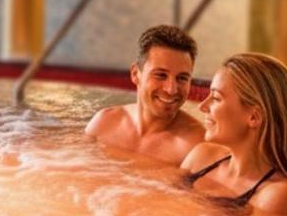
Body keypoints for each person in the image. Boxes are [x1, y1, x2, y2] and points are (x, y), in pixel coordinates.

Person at [179, 53, 287, 216]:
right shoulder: (201, 158)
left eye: (216, 98)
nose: (202, 106)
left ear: (254, 117)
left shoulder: (276, 196)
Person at [84, 25, 204, 164]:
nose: (171, 89)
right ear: (135, 74)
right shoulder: (104, 123)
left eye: (182, 78)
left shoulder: (196, 147)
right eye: (161, 75)